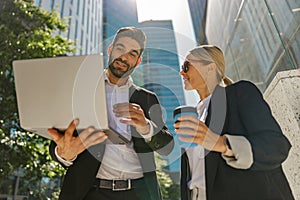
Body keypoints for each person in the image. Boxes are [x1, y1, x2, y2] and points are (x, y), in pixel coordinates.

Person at [48, 27, 174, 200]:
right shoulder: (81, 90)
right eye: (120, 48)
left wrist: (146, 126)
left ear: (137, 61)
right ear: (110, 49)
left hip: (139, 193)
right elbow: (59, 140)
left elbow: (167, 147)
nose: (124, 57)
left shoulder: (147, 98)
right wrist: (63, 155)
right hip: (90, 192)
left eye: (132, 53)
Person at [174, 45, 294, 200]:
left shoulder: (239, 93)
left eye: (187, 66)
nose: (181, 72)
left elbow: (277, 147)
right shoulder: (193, 117)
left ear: (210, 68)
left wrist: (223, 144)